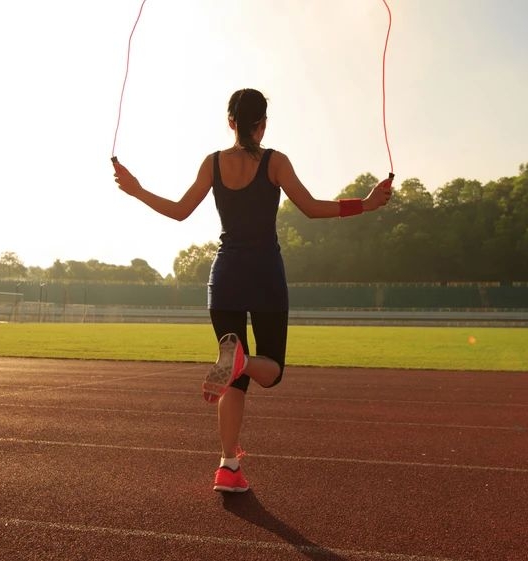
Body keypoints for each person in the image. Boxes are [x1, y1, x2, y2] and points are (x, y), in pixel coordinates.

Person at [112, 87, 393, 493]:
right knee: (272, 371)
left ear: (231, 122)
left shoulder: (212, 163)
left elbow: (178, 211)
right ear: (262, 125)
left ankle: (228, 466)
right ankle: (241, 364)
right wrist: (364, 205)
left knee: (233, 381)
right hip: (265, 277)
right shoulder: (275, 162)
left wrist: (136, 189)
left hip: (224, 278)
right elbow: (312, 208)